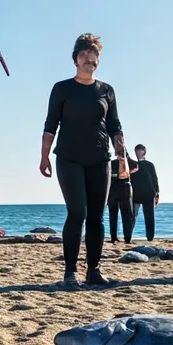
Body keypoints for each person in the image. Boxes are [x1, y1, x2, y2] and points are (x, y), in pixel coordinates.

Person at [40, 34, 126, 287]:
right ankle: (69, 273)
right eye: (85, 57)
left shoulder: (106, 91)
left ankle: (94, 270)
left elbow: (114, 125)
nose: (90, 62)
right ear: (76, 59)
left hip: (100, 159)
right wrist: (44, 156)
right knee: (77, 212)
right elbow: (50, 124)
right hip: (69, 158)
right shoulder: (62, 88)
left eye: (94, 58)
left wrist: (121, 152)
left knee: (97, 217)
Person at [130, 144, 159, 240]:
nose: (137, 153)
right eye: (136, 151)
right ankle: (128, 235)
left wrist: (157, 193)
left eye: (139, 151)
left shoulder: (149, 165)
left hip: (148, 194)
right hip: (135, 195)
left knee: (149, 217)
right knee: (132, 216)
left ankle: (150, 237)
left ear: (143, 152)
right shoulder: (133, 164)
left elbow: (155, 179)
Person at [107, 154, 138, 244]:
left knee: (116, 215)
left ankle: (117, 237)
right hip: (120, 190)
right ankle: (124, 238)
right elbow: (136, 166)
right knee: (125, 215)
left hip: (116, 190)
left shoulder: (113, 163)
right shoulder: (127, 163)